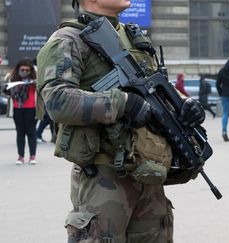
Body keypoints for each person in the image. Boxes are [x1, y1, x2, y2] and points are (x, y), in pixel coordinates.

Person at [37, 0, 205, 242]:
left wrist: (183, 105)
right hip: (103, 175)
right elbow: (57, 100)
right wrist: (121, 104)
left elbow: (153, 88)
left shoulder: (133, 36)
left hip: (148, 172)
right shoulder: (68, 39)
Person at [3, 58, 38, 165]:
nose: (24, 72)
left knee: (31, 132)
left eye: (27, 70)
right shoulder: (12, 78)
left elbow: (41, 90)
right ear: (18, 69)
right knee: (20, 132)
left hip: (31, 107)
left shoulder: (35, 78)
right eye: (22, 70)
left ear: (30, 70)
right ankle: (21, 156)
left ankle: (32, 156)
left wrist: (36, 83)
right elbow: (7, 92)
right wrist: (6, 89)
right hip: (17, 108)